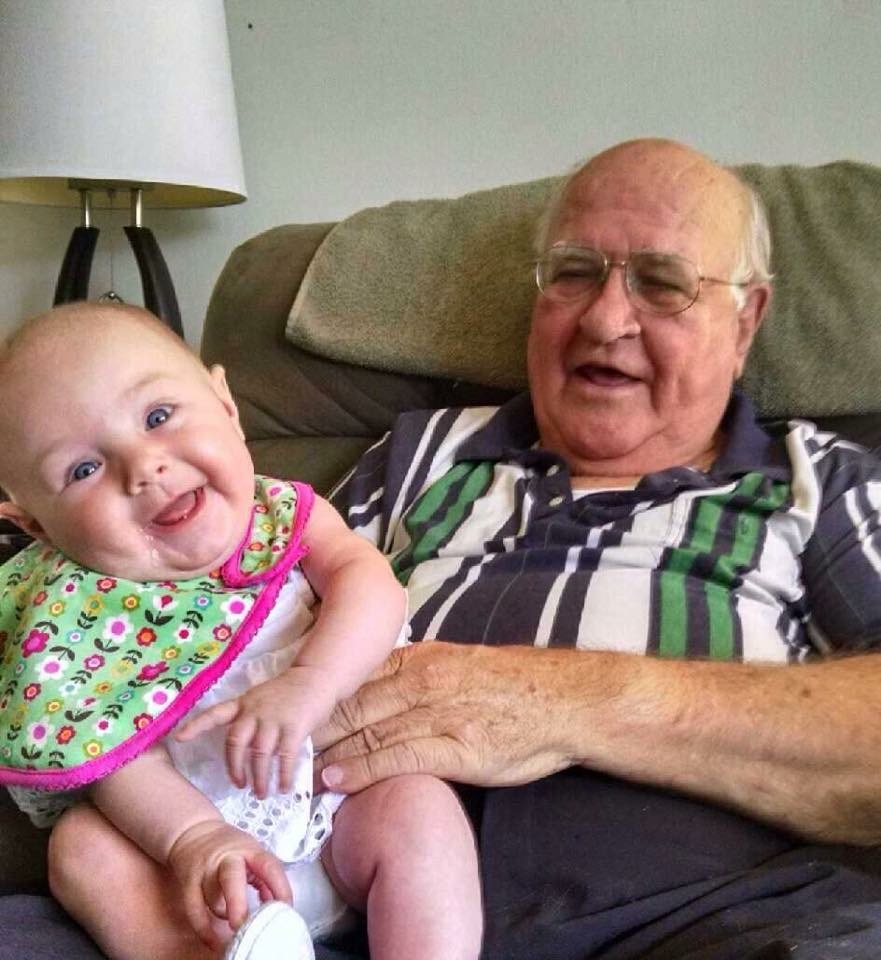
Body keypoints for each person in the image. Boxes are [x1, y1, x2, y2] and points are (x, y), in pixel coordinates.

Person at [312, 139, 881, 959]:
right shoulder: (416, 455)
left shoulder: (817, 481)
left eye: (662, 283)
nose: (605, 319)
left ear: (744, 322)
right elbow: (229, 618)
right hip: (360, 919)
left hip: (723, 927)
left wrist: (569, 703)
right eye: (574, 272)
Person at [0, 303, 481, 960]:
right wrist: (194, 838)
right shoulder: (67, 619)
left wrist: (312, 682)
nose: (143, 468)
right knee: (82, 849)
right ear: (37, 526)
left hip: (336, 807)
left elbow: (371, 585)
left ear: (225, 404)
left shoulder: (282, 517)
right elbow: (110, 751)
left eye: (158, 416)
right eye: (84, 470)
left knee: (418, 809)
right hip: (189, 862)